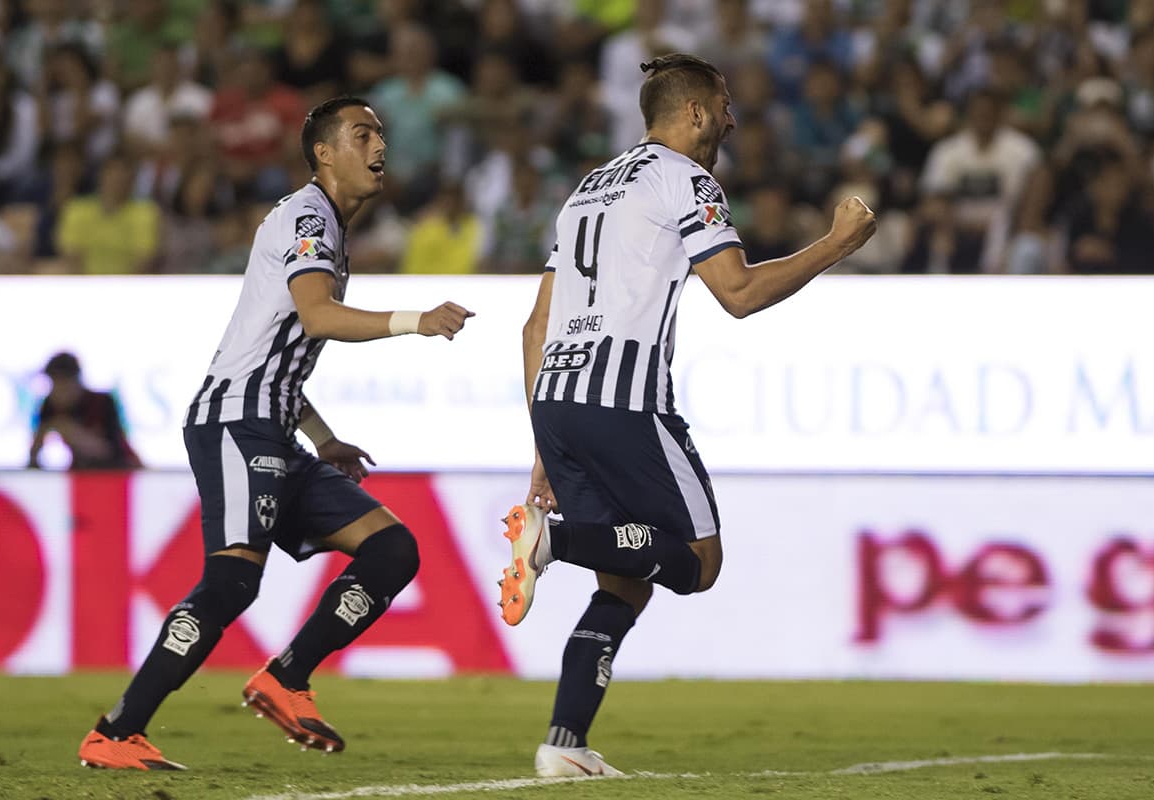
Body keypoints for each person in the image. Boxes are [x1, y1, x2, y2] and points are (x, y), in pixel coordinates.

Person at [498, 54, 876, 778]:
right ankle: (554, 542)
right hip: (627, 400)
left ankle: (564, 744)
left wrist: (544, 446)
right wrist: (835, 246)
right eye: (725, 106)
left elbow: (534, 326)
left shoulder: (586, 189)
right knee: (698, 562)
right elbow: (736, 292)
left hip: (557, 400)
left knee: (627, 578)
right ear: (695, 111)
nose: (732, 120)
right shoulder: (687, 180)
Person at [77, 96, 474, 771]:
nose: (380, 143)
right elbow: (318, 318)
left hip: (274, 427)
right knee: (232, 582)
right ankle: (116, 731)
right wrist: (418, 318)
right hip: (235, 421)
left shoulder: (325, 229)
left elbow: (281, 350)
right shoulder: (307, 216)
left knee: (392, 550)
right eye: (362, 133)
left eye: (380, 131)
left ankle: (287, 677)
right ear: (323, 152)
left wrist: (322, 438)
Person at [28, 351, 141, 470]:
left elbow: (115, 452)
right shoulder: (49, 405)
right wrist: (40, 439)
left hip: (117, 475)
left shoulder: (101, 403)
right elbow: (33, 458)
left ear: (75, 381)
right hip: (81, 476)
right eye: (53, 383)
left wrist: (74, 433)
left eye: (62, 383)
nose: (58, 390)